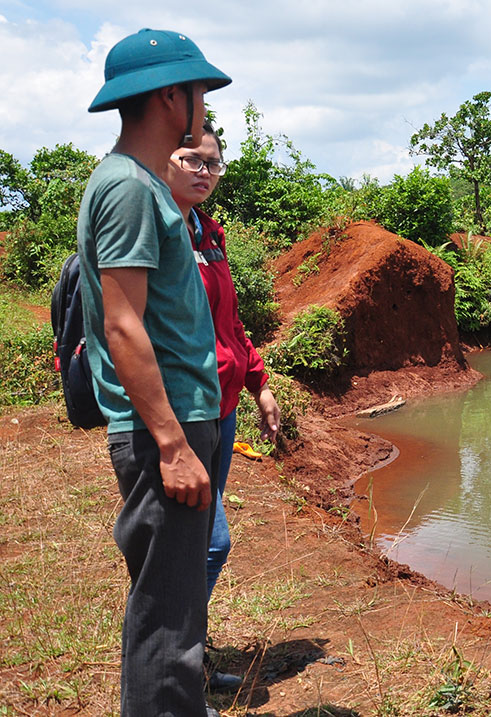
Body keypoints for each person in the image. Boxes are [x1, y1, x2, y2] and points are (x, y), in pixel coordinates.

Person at [76, 28, 230, 716]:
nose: (203, 105)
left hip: (171, 417)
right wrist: (170, 442)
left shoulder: (137, 185)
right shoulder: (131, 189)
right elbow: (123, 322)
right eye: (198, 92)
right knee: (167, 623)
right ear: (173, 97)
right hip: (159, 426)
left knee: (171, 611)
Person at [166, 120, 281, 690]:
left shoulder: (208, 233)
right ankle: (170, 661)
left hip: (223, 406)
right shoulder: (159, 231)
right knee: (205, 543)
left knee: (199, 545)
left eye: (213, 162)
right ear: (163, 158)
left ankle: (188, 657)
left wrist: (259, 383)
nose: (205, 172)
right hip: (184, 412)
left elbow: (229, 323)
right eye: (193, 159)